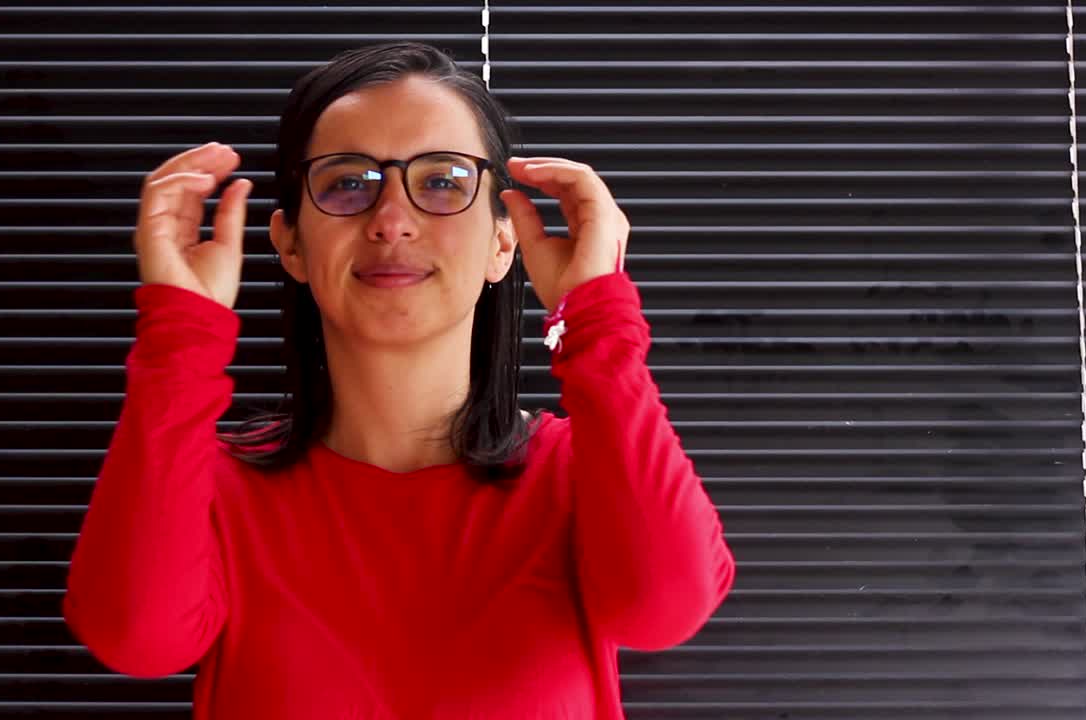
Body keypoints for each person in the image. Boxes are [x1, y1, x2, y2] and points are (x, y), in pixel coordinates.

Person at [62, 41, 735, 720]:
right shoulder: (212, 489)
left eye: (443, 180)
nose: (391, 221)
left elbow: (663, 611)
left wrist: (598, 318)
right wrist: (180, 334)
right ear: (291, 243)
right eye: (348, 182)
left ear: (505, 242)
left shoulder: (581, 477)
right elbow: (135, 639)